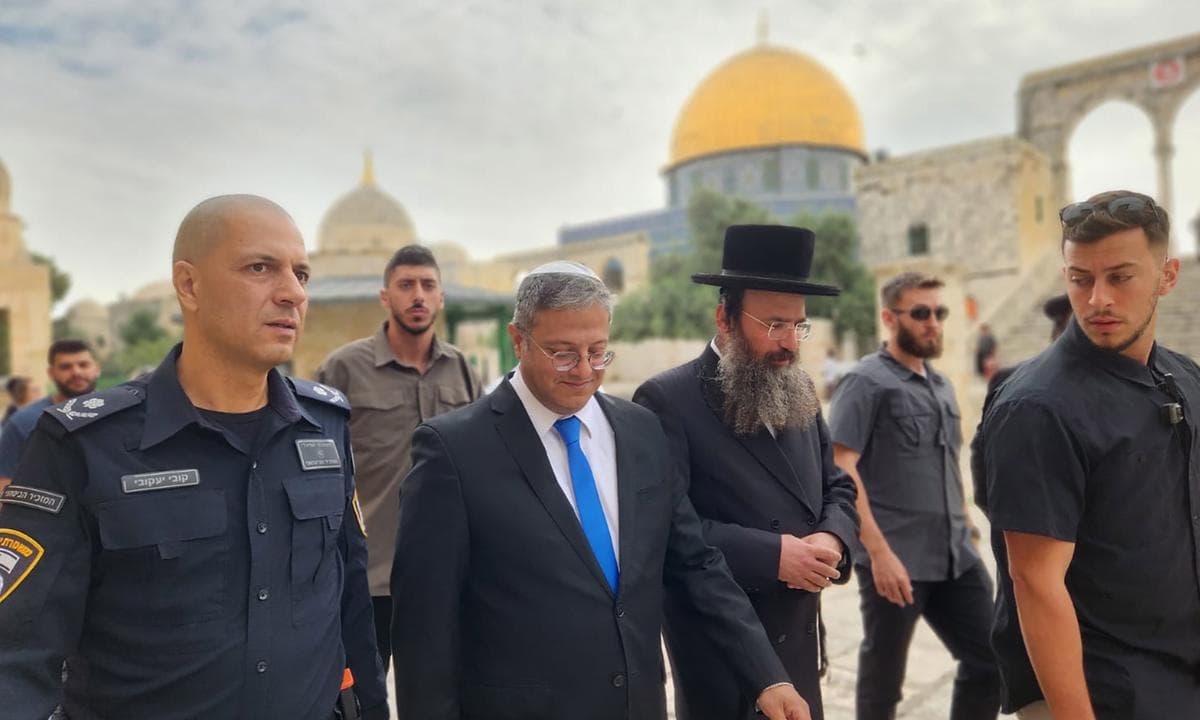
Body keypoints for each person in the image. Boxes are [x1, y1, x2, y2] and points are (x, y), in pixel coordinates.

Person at [0, 195, 387, 718]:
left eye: (301, 274)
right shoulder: (84, 444)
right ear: (189, 284)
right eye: (260, 268)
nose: (293, 293)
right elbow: (16, 650)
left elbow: (348, 600)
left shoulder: (325, 425)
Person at [391, 261, 811, 720]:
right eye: (563, 353)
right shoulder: (453, 450)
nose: (584, 370)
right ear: (518, 340)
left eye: (598, 352)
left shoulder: (641, 431)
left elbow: (697, 564)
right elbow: (423, 632)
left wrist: (767, 675)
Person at [976, 190, 1200, 719]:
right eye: (1080, 278)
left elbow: (1199, 519)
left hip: (1183, 668)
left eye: (1120, 276)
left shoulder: (1186, 380)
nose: (1097, 300)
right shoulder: (1038, 408)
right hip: (1093, 687)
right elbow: (1034, 581)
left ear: (1167, 276)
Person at [633, 224, 859, 719]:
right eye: (774, 324)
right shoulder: (667, 400)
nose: (790, 343)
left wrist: (832, 540)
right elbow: (670, 532)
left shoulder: (795, 385)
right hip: (725, 662)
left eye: (798, 326)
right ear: (724, 318)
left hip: (799, 646)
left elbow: (836, 484)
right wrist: (772, 555)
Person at [828, 271, 1000, 720]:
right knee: (883, 685)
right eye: (920, 313)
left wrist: (966, 527)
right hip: (897, 560)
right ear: (889, 317)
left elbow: (946, 462)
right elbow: (842, 468)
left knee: (993, 658)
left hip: (955, 555)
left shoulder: (941, 385)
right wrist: (878, 554)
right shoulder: (866, 382)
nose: (933, 323)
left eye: (939, 313)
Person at [316, 243, 481, 669]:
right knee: (364, 700)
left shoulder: (461, 369)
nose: (418, 296)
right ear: (385, 297)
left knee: (441, 695)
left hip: (446, 570)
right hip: (370, 574)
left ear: (442, 296)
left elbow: (483, 459)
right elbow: (316, 470)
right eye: (406, 285)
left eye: (428, 285)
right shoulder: (343, 370)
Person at [0, 340, 101, 493]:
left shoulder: (119, 415)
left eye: (83, 365)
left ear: (97, 368)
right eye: (65, 367)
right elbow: (4, 485)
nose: (76, 372)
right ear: (51, 373)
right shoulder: (24, 422)